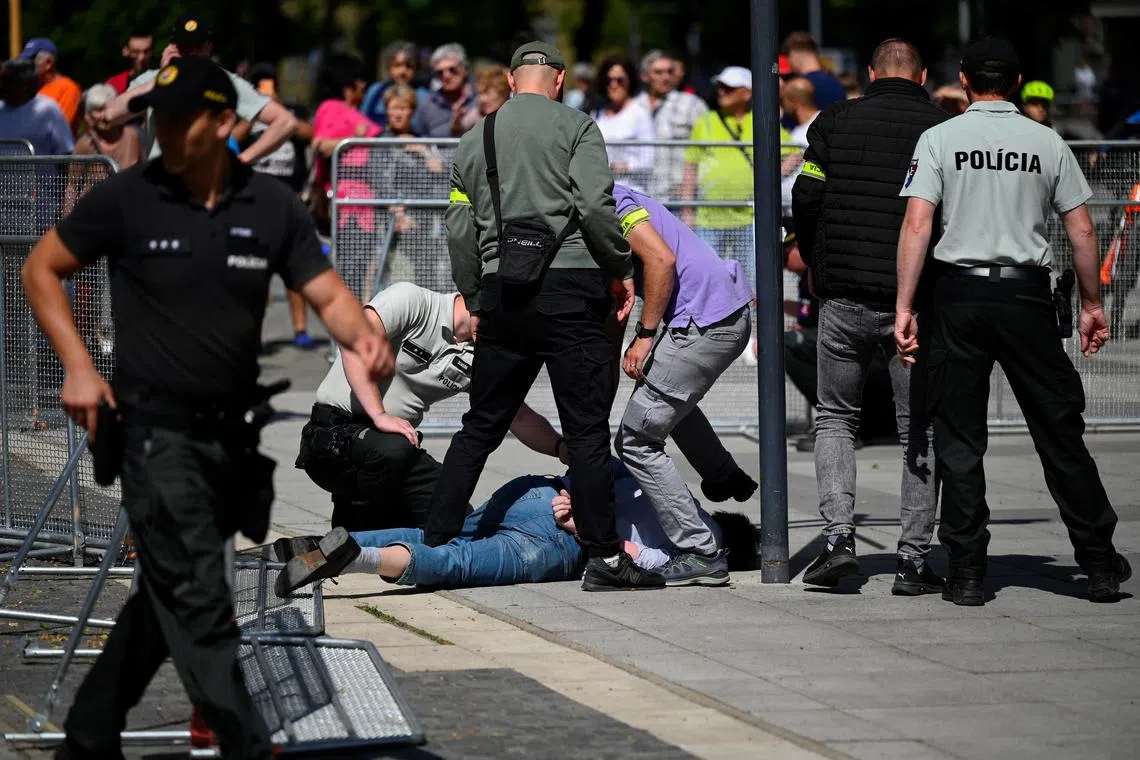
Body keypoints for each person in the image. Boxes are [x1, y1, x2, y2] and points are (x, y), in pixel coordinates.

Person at [20, 56, 391, 759]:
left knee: (164, 601)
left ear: (225, 122)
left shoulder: (268, 206)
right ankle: (249, 743)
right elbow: (42, 268)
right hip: (153, 437)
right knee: (200, 596)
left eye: (179, 116)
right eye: (156, 115)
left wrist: (365, 340)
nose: (162, 127)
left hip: (230, 445)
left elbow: (330, 294)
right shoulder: (128, 198)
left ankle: (87, 739)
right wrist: (76, 364)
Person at [895, 36, 1130, 605]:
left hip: (958, 296)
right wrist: (1093, 305)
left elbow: (917, 226)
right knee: (1058, 431)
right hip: (1026, 298)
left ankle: (969, 572)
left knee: (959, 437)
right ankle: (1098, 564)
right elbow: (1081, 230)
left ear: (965, 79)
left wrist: (905, 306)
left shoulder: (939, 139)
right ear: (1019, 83)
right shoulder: (1046, 142)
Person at [425, 40, 663, 592]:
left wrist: (476, 295)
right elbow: (595, 208)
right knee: (584, 430)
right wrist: (620, 265)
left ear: (511, 82)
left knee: (480, 426)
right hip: (572, 290)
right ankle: (605, 558)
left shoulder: (473, 138)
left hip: (502, 293)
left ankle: (435, 541)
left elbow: (458, 230)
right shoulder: (578, 127)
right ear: (557, 80)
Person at [793, 38, 948, 593]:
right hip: (915, 300)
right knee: (918, 428)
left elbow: (806, 196)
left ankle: (837, 541)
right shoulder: (941, 126)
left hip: (845, 296)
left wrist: (814, 259)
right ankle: (911, 559)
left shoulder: (835, 120)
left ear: (868, 73)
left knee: (835, 418)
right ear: (924, 74)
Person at [300, 282, 569, 531]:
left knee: (453, 517)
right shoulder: (412, 301)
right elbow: (352, 341)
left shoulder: (481, 353)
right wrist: (379, 414)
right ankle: (355, 525)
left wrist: (561, 448)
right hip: (334, 433)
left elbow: (517, 416)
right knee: (392, 451)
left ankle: (378, 535)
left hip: (394, 448)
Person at [275, 460, 760, 595]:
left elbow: (607, 465)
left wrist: (578, 492)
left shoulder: (670, 487)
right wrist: (581, 524)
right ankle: (355, 558)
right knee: (458, 562)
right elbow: (638, 560)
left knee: (444, 534)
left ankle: (311, 547)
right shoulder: (703, 540)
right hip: (558, 538)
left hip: (537, 491)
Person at [611, 182, 757, 585]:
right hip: (723, 313)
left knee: (635, 440)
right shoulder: (621, 194)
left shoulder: (611, 202)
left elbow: (661, 260)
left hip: (705, 323)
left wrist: (643, 337)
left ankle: (700, 550)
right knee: (666, 403)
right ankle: (722, 472)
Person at [102, 12, 296, 166]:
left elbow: (286, 122)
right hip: (160, 190)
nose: (190, 53)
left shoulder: (224, 80)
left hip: (206, 193)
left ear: (208, 47)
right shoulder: (151, 79)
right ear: (172, 46)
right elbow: (110, 115)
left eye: (197, 46)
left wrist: (242, 161)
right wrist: (163, 78)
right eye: (184, 46)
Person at [243, 62, 317, 348]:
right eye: (260, 84)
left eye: (270, 83)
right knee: (252, 274)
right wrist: (252, 116)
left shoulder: (290, 113)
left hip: (288, 202)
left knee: (293, 272)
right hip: (252, 203)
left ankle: (300, 330)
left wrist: (277, 114)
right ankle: (252, 334)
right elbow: (234, 141)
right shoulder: (243, 116)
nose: (266, 88)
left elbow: (308, 133)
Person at [681, 66, 756, 288]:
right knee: (708, 280)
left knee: (751, 285)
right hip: (708, 218)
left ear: (747, 93)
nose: (721, 91)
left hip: (749, 219)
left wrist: (773, 176)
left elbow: (794, 152)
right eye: (720, 87)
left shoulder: (761, 119)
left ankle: (753, 323)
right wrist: (688, 211)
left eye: (729, 88)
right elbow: (690, 166)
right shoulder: (706, 121)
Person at [633, 50, 707, 198]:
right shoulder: (633, 107)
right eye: (658, 72)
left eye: (670, 72)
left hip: (678, 197)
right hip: (640, 194)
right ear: (645, 76)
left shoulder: (692, 104)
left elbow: (708, 151)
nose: (665, 77)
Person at [590, 55, 655, 191]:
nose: (614, 85)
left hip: (631, 193)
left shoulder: (639, 113)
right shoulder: (597, 114)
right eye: (609, 80)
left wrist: (624, 167)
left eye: (620, 80)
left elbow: (649, 159)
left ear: (629, 81)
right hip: (601, 191)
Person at [0, 58, 73, 155]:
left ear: (23, 86)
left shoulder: (48, 110)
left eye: (5, 81)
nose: (1, 85)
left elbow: (65, 153)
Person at [413, 42, 476, 137]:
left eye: (452, 70)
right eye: (440, 72)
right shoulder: (427, 104)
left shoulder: (481, 98)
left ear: (465, 70)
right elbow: (418, 137)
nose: (446, 76)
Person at [20, 38, 81, 134]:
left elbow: (57, 128)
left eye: (30, 60)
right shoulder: (28, 87)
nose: (25, 65)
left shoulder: (68, 88)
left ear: (48, 63)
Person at [360, 40, 426, 129]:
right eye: (397, 65)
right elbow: (363, 120)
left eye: (408, 66)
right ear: (389, 67)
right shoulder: (376, 91)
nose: (402, 71)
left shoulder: (424, 96)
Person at [781, 31, 846, 113]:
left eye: (787, 56)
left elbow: (788, 123)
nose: (788, 62)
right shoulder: (836, 83)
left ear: (793, 53)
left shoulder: (800, 87)